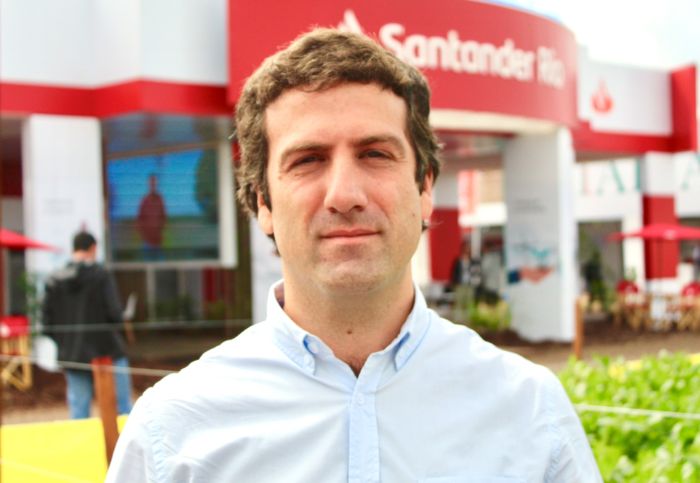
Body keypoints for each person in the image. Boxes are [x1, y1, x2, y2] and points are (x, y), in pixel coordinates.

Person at [107, 29, 601, 482]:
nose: (344, 195)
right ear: (264, 203)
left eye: (375, 154)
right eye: (308, 160)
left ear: (425, 188)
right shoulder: (170, 434)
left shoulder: (530, 412)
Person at [43, 231, 133, 419]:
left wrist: (66, 343)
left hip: (73, 355)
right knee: (122, 410)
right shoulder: (101, 276)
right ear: (93, 248)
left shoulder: (54, 280)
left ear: (74, 249)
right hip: (107, 352)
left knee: (79, 413)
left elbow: (47, 323)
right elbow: (115, 314)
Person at [136, 174, 166, 260]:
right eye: (151, 183)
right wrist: (144, 235)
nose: (153, 185)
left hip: (158, 242)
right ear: (148, 184)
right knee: (148, 264)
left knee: (160, 265)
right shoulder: (144, 200)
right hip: (147, 242)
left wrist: (159, 231)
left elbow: (163, 217)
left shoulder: (160, 199)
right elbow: (139, 219)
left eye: (154, 183)